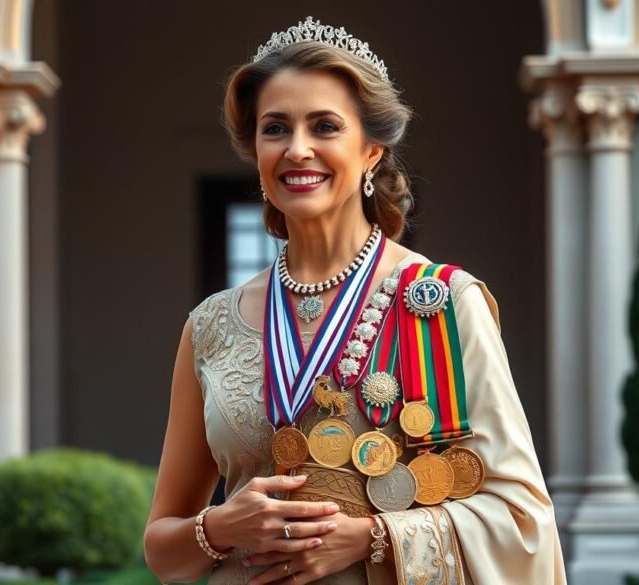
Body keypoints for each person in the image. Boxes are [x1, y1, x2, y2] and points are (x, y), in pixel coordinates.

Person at [144, 17, 566, 585]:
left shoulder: (442, 303)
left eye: (324, 127)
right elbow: (164, 549)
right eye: (275, 128)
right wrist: (221, 528)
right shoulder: (210, 325)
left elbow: (522, 523)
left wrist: (372, 540)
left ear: (371, 149)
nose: (298, 149)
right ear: (255, 152)